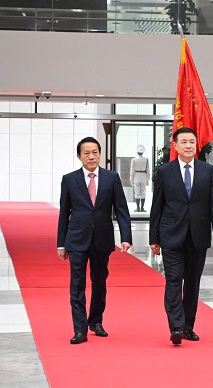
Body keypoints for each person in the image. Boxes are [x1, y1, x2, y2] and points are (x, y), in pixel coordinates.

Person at [149, 127, 213, 345]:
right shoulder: (165, 171)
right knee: (174, 279)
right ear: (175, 145)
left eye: (192, 141)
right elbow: (157, 206)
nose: (188, 145)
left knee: (192, 283)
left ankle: (187, 326)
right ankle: (176, 326)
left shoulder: (207, 170)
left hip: (198, 236)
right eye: (183, 142)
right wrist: (154, 238)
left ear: (196, 145)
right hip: (171, 235)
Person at [57, 136, 132, 345]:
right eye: (87, 153)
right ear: (79, 156)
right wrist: (61, 243)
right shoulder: (69, 179)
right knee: (77, 284)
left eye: (95, 152)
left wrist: (126, 237)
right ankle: (79, 329)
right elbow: (64, 213)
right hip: (76, 239)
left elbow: (121, 208)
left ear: (100, 154)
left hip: (102, 239)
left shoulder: (111, 178)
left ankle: (96, 321)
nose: (91, 156)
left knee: (100, 283)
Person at [130, 144, 150, 212]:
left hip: (136, 176)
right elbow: (148, 170)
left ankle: (138, 208)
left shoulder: (134, 160)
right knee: (143, 192)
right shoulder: (146, 160)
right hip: (144, 176)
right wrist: (148, 179)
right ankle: (142, 208)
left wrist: (131, 180)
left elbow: (132, 170)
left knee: (137, 192)